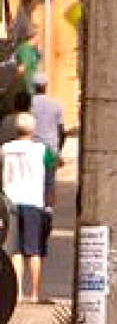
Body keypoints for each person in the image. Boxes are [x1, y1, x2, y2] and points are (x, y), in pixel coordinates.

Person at [1, 112, 53, 304]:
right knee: (34, 250)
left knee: (14, 250)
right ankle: (34, 293)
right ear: (33, 129)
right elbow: (51, 172)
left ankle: (17, 292)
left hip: (11, 202)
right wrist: (50, 201)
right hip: (33, 202)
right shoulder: (42, 150)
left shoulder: (5, 149)